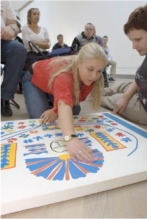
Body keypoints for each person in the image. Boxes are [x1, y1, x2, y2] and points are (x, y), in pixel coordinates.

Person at [22, 42, 108, 161]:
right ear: (79, 63)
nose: (94, 76)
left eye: (99, 71)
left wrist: (55, 110)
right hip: (33, 79)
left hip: (53, 82)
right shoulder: (64, 75)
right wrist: (70, 138)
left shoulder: (90, 77)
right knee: (40, 116)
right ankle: (49, 98)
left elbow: (75, 99)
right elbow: (64, 103)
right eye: (90, 69)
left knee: (74, 109)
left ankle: (51, 99)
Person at [101, 4, 147, 125]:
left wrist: (124, 99)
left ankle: (98, 98)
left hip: (143, 108)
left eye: (138, 40)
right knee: (122, 86)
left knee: (114, 100)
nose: (134, 46)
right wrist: (126, 96)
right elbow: (139, 79)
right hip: (142, 90)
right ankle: (99, 92)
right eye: (132, 41)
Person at [1, 0, 27, 117]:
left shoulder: (4, 1)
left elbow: (14, 25)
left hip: (2, 42)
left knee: (18, 49)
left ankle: (5, 97)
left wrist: (12, 29)